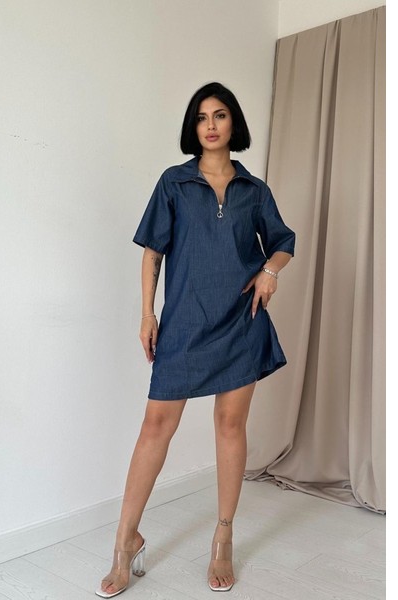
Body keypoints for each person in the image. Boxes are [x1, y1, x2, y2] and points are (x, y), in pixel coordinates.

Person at [96, 82, 295, 597]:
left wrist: (270, 270)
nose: (211, 124)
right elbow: (152, 252)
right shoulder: (174, 182)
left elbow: (282, 242)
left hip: (242, 322)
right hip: (184, 323)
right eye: (202, 117)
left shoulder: (254, 190)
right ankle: (125, 541)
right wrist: (147, 314)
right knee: (155, 427)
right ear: (193, 127)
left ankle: (223, 538)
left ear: (233, 124)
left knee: (230, 426)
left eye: (220, 115)